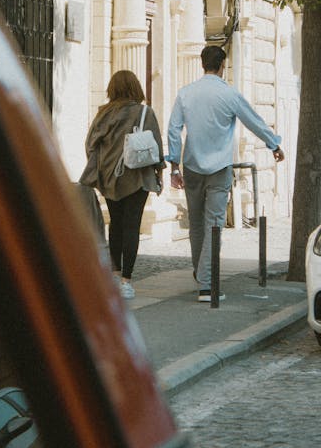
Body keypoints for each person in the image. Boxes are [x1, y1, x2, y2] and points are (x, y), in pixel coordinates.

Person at [167, 45, 285, 302]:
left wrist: (174, 165)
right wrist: (273, 143)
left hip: (191, 165)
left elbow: (174, 130)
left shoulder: (185, 94)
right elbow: (252, 120)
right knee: (214, 225)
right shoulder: (229, 94)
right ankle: (207, 284)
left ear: (202, 64)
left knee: (196, 224)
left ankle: (201, 274)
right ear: (222, 65)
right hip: (219, 167)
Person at [80, 70, 165, 299]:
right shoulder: (145, 112)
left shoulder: (103, 114)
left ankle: (115, 276)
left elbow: (90, 145)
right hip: (137, 177)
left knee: (115, 225)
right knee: (131, 226)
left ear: (113, 89)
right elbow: (156, 146)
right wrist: (160, 174)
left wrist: (104, 161)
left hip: (110, 177)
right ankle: (127, 281)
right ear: (136, 88)